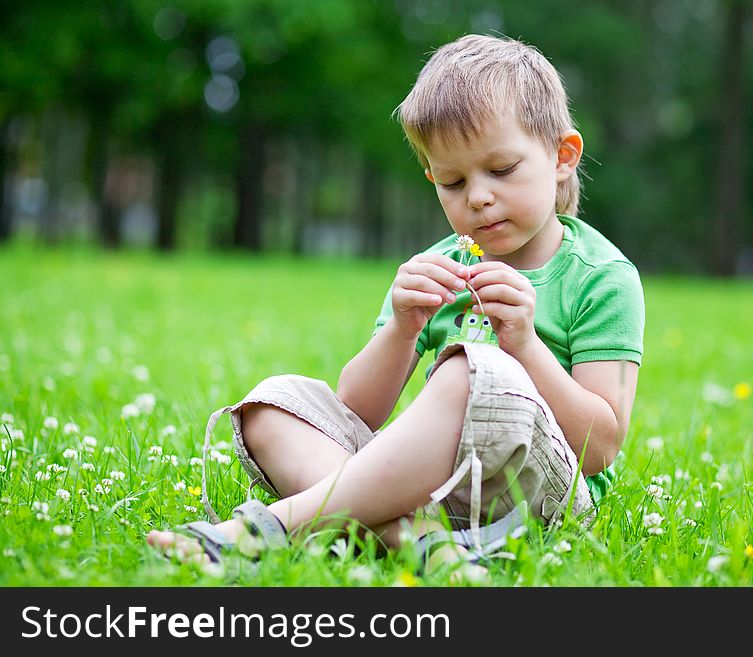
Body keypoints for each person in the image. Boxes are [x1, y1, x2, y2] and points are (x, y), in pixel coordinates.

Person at [147, 34, 644, 572]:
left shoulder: (601, 277)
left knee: (469, 369)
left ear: (562, 157)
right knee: (273, 405)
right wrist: (402, 328)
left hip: (539, 498)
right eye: (452, 181)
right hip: (426, 480)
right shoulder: (438, 266)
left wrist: (522, 345)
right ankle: (419, 538)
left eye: (500, 170)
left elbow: (600, 448)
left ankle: (272, 527)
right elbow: (356, 410)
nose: (477, 197)